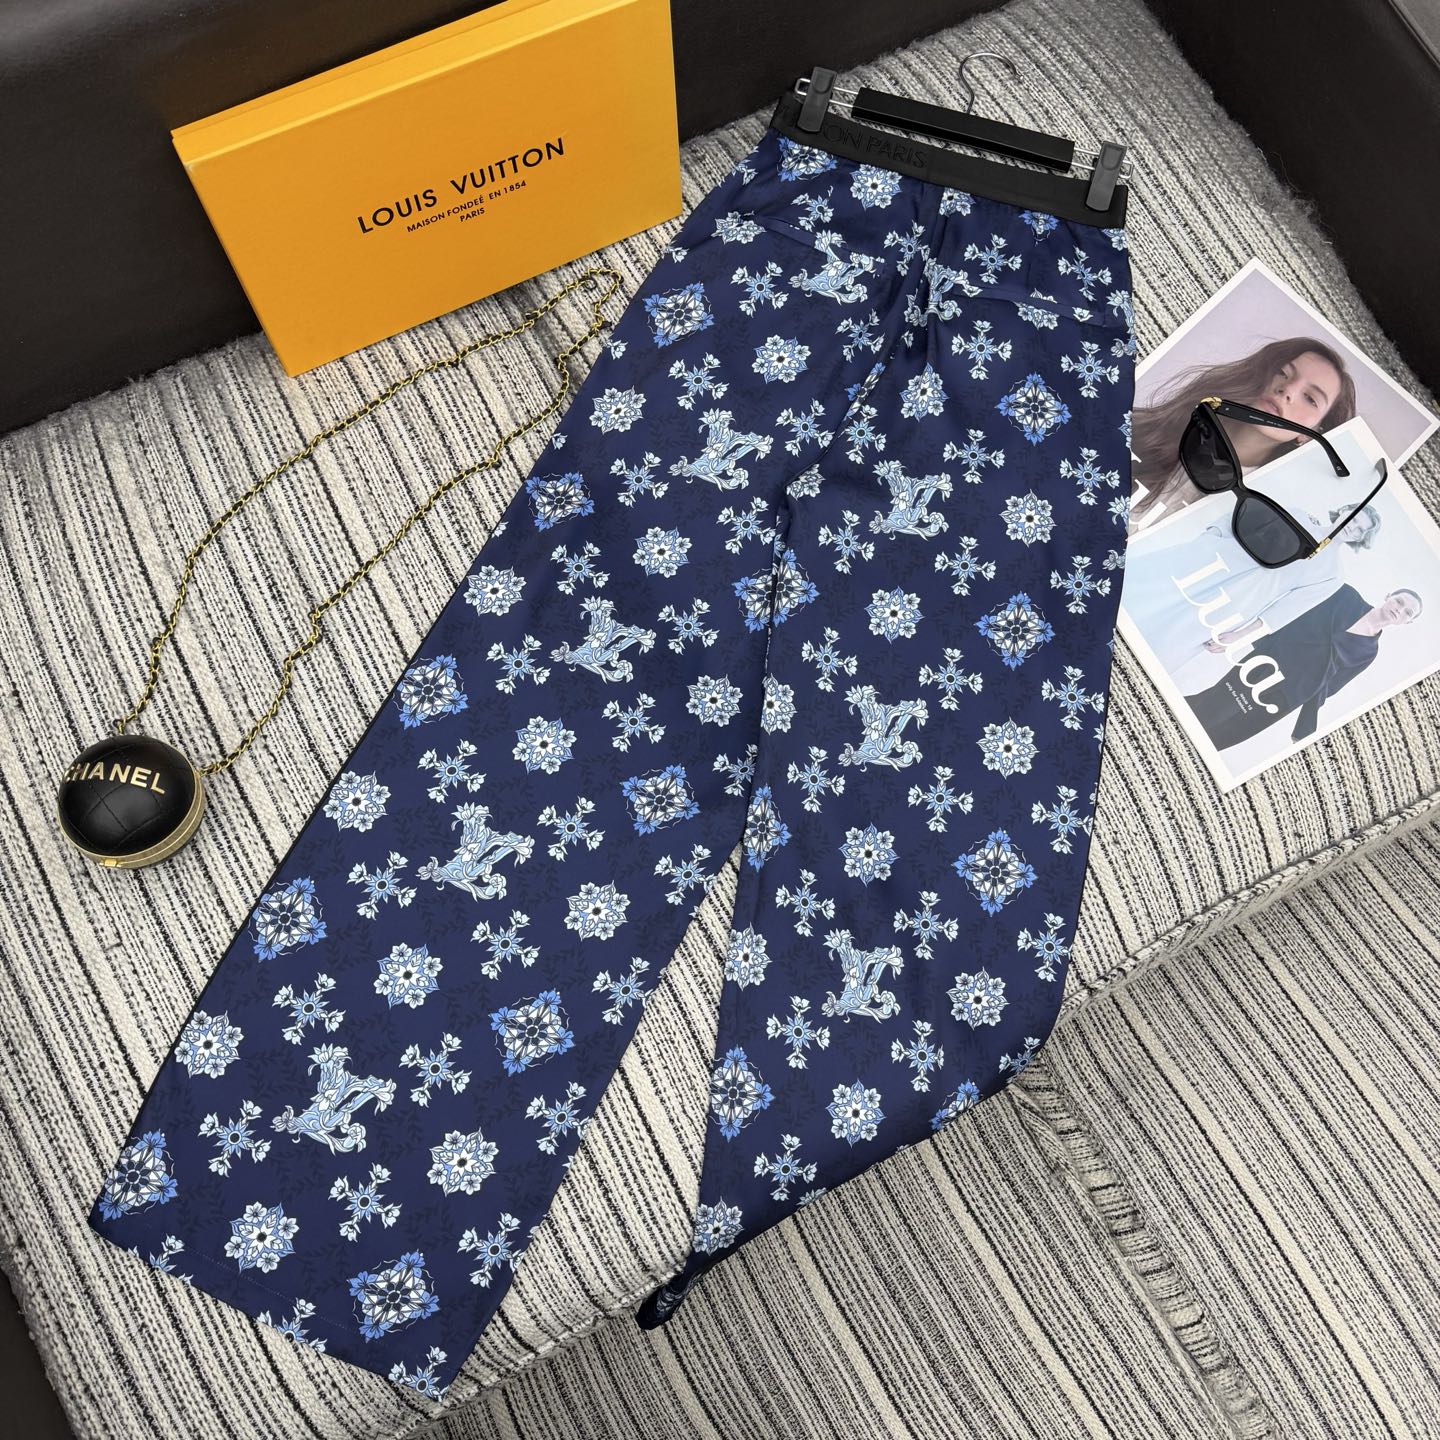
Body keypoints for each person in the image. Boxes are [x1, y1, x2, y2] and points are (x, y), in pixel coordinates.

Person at [1121, 500, 1381, 691]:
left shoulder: (1334, 574)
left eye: (1360, 530)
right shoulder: (1298, 514)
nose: (1352, 527)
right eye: (1354, 518)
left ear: (1362, 539)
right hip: (1218, 561)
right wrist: (1213, 535)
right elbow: (1245, 516)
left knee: (1172, 638)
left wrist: (1239, 636)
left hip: (1240, 600)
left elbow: (1287, 610)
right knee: (1146, 591)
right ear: (1344, 510)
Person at [1131, 338, 1357, 527]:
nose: (1288, 389)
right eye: (1282, 372)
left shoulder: (1260, 516)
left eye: (1310, 398)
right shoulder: (1148, 425)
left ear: (1311, 433)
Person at [1183, 585, 1422, 749]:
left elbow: (1328, 687)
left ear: (1408, 622)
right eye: (1399, 601)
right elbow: (1287, 613)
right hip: (1267, 662)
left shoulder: (1369, 652)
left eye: (1407, 612)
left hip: (1288, 696)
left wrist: (1305, 727)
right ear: (1389, 595)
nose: (1399, 609)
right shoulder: (1345, 595)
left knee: (1228, 734)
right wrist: (1238, 637)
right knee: (1210, 706)